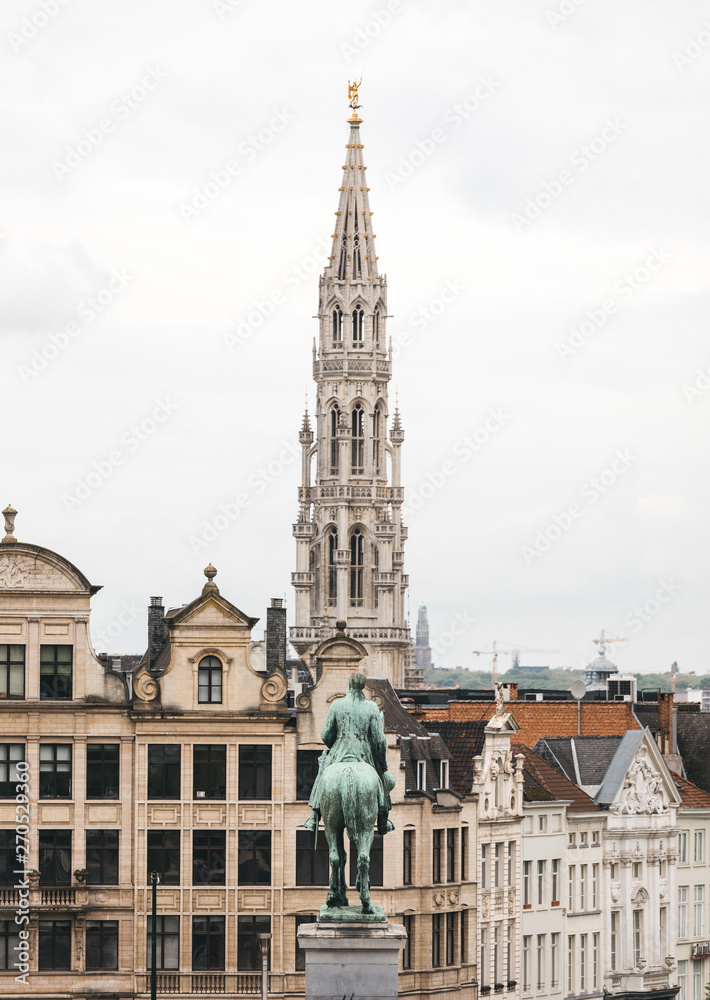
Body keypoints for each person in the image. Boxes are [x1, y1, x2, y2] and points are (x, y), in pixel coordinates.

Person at [304, 672, 395, 836]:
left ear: (349, 685)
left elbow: (325, 734)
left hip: (339, 749)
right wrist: (382, 762)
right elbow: (379, 740)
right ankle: (382, 821)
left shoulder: (337, 705)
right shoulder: (371, 707)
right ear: (363, 686)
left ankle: (313, 817)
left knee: (322, 775)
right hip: (364, 753)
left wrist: (336, 744)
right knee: (381, 780)